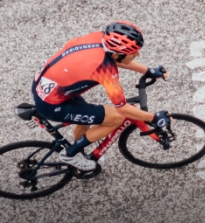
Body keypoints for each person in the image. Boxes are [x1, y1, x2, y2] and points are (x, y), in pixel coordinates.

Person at [31, 21, 171, 171]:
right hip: (52, 104)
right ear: (117, 53)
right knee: (116, 118)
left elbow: (116, 59)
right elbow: (122, 108)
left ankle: (80, 151)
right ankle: (70, 154)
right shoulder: (103, 70)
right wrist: (153, 118)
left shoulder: (98, 38)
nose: (138, 54)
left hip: (46, 86)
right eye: (134, 52)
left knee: (85, 119)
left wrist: (147, 71)